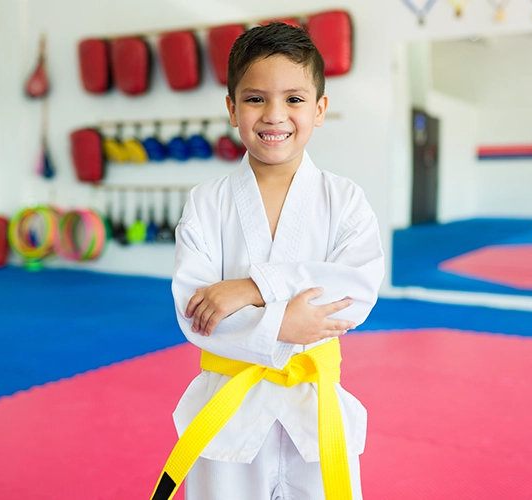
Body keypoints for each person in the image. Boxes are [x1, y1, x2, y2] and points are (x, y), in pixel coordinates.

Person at [151, 22, 385, 500]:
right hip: (229, 409)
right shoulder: (207, 202)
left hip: (313, 409)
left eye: (294, 99)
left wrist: (253, 288)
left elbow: (355, 289)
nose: (275, 114)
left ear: (320, 109)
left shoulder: (344, 198)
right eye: (256, 98)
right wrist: (284, 323)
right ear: (232, 108)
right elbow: (193, 313)